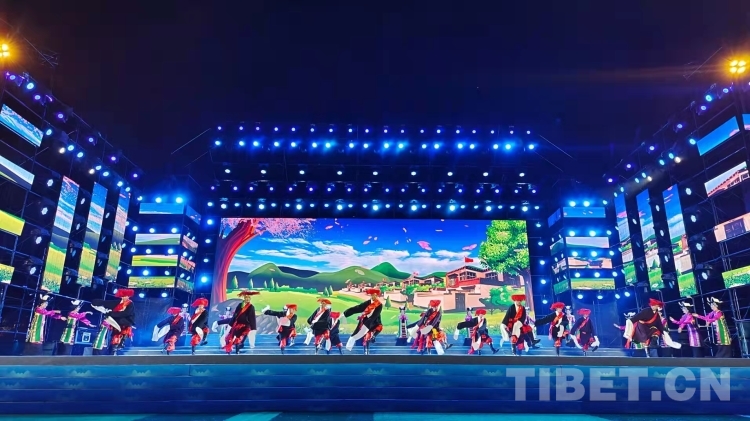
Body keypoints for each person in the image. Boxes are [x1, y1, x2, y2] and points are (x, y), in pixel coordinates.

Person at [91, 288, 136, 355]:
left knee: (119, 336)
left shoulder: (130, 304)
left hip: (125, 323)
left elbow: (126, 313)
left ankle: (119, 345)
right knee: (113, 338)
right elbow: (106, 303)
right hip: (116, 323)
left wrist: (111, 314)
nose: (124, 298)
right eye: (123, 296)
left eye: (126, 296)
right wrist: (97, 302)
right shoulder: (117, 302)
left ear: (129, 296)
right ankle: (111, 352)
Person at [344, 288, 383, 355]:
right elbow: (358, 308)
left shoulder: (379, 304)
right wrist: (346, 313)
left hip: (374, 323)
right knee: (363, 336)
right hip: (365, 322)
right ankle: (365, 350)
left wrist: (367, 325)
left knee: (376, 329)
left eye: (376, 295)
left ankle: (373, 337)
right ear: (371, 295)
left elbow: (375, 316)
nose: (375, 296)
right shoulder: (367, 303)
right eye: (373, 295)